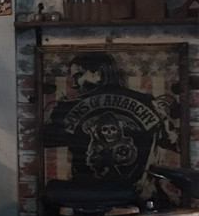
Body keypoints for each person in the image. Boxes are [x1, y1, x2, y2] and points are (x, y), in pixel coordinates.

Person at [43, 51, 181, 200]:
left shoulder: (68, 107)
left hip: (89, 197)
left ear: (98, 73)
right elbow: (174, 142)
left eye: (78, 76)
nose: (75, 84)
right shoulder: (149, 102)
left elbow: (46, 140)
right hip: (139, 197)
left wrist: (53, 112)